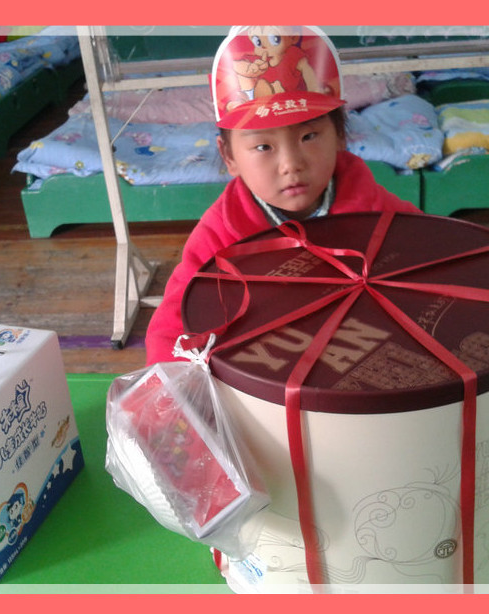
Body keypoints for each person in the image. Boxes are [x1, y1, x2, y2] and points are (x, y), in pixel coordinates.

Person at [145, 26, 421, 364]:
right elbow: (174, 329)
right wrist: (175, 389)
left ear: (340, 136)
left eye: (309, 137)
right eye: (264, 147)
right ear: (229, 156)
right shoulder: (218, 237)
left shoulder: (377, 210)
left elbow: (434, 252)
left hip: (365, 362)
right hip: (265, 375)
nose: (291, 164)